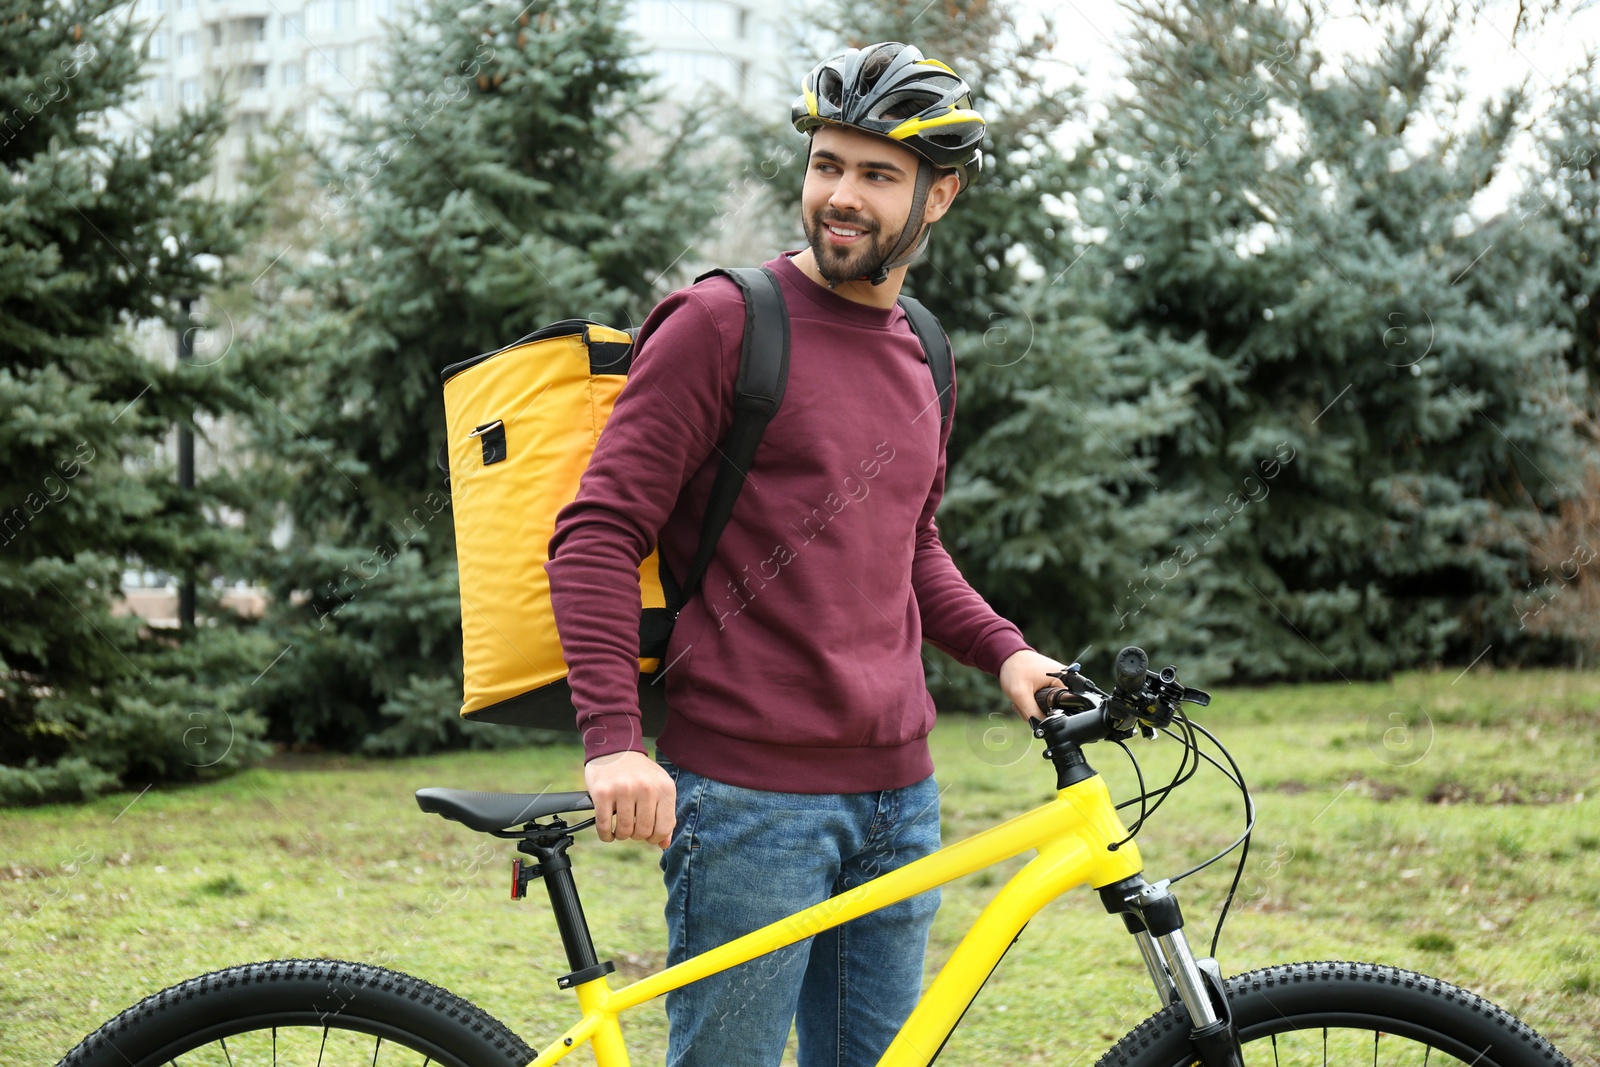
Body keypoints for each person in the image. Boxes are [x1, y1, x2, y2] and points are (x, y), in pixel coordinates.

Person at [545, 41, 1067, 1067]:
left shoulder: (925, 344)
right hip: (746, 802)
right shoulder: (724, 323)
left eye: (876, 175)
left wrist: (1005, 651)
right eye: (828, 164)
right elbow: (598, 530)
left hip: (900, 797)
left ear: (940, 196)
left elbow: (907, 540)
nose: (840, 195)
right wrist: (612, 737)